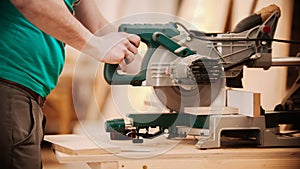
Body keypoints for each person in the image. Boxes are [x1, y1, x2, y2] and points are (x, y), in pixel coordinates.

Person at [0, 0, 141, 169]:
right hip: (9, 82)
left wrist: (150, 66)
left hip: (25, 91)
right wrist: (96, 45)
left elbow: (96, 25)